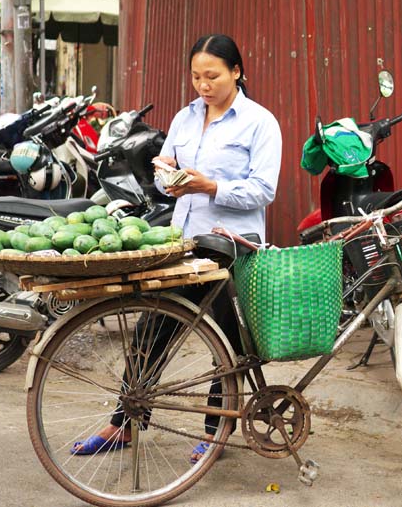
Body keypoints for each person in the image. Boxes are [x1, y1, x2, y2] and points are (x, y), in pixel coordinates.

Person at [70, 33, 282, 460]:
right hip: (184, 242)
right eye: (196, 76)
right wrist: (167, 174)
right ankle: (124, 423)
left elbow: (263, 190)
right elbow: (166, 171)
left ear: (236, 72)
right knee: (153, 328)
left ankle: (216, 431)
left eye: (213, 76)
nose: (203, 85)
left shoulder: (260, 122)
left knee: (228, 347)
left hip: (231, 248)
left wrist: (211, 187)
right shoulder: (186, 118)